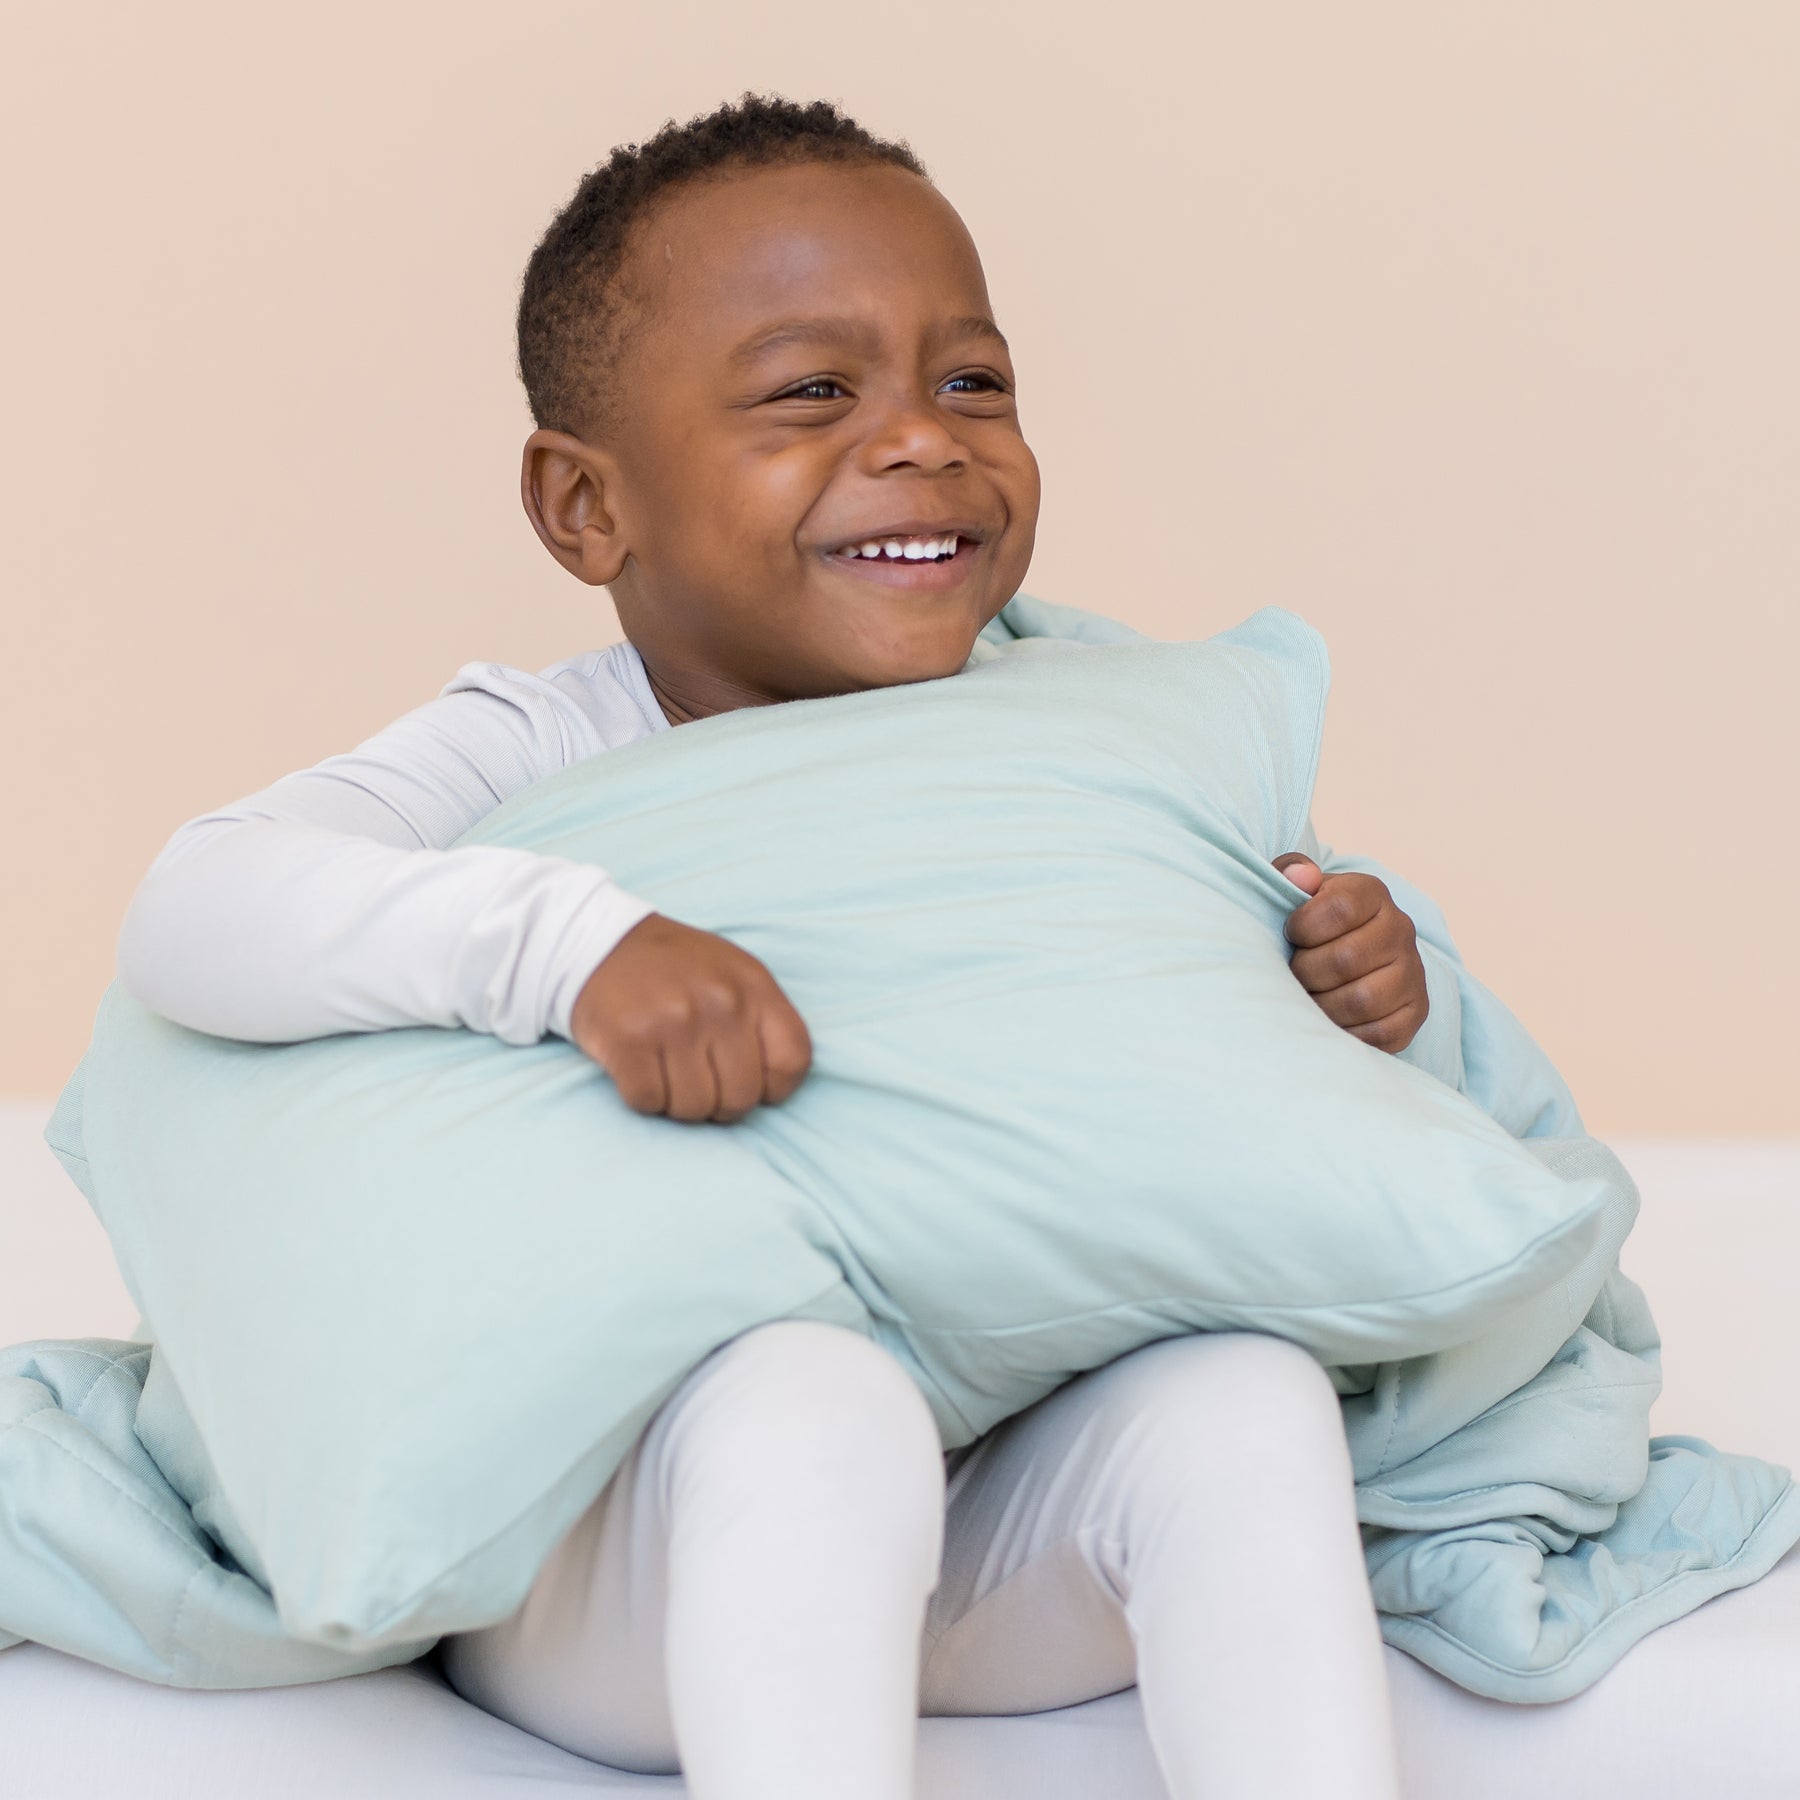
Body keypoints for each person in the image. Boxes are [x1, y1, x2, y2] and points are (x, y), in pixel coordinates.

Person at [117, 94, 1438, 1800]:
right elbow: (200, 904)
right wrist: (567, 950)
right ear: (588, 509)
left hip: (989, 1535)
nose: (923, 441)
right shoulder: (546, 757)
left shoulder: (1078, 729)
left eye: (972, 382)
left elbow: (1212, 1028)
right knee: (808, 1397)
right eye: (816, 392)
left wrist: (1344, 986)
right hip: (633, 1570)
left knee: (1247, 1400)